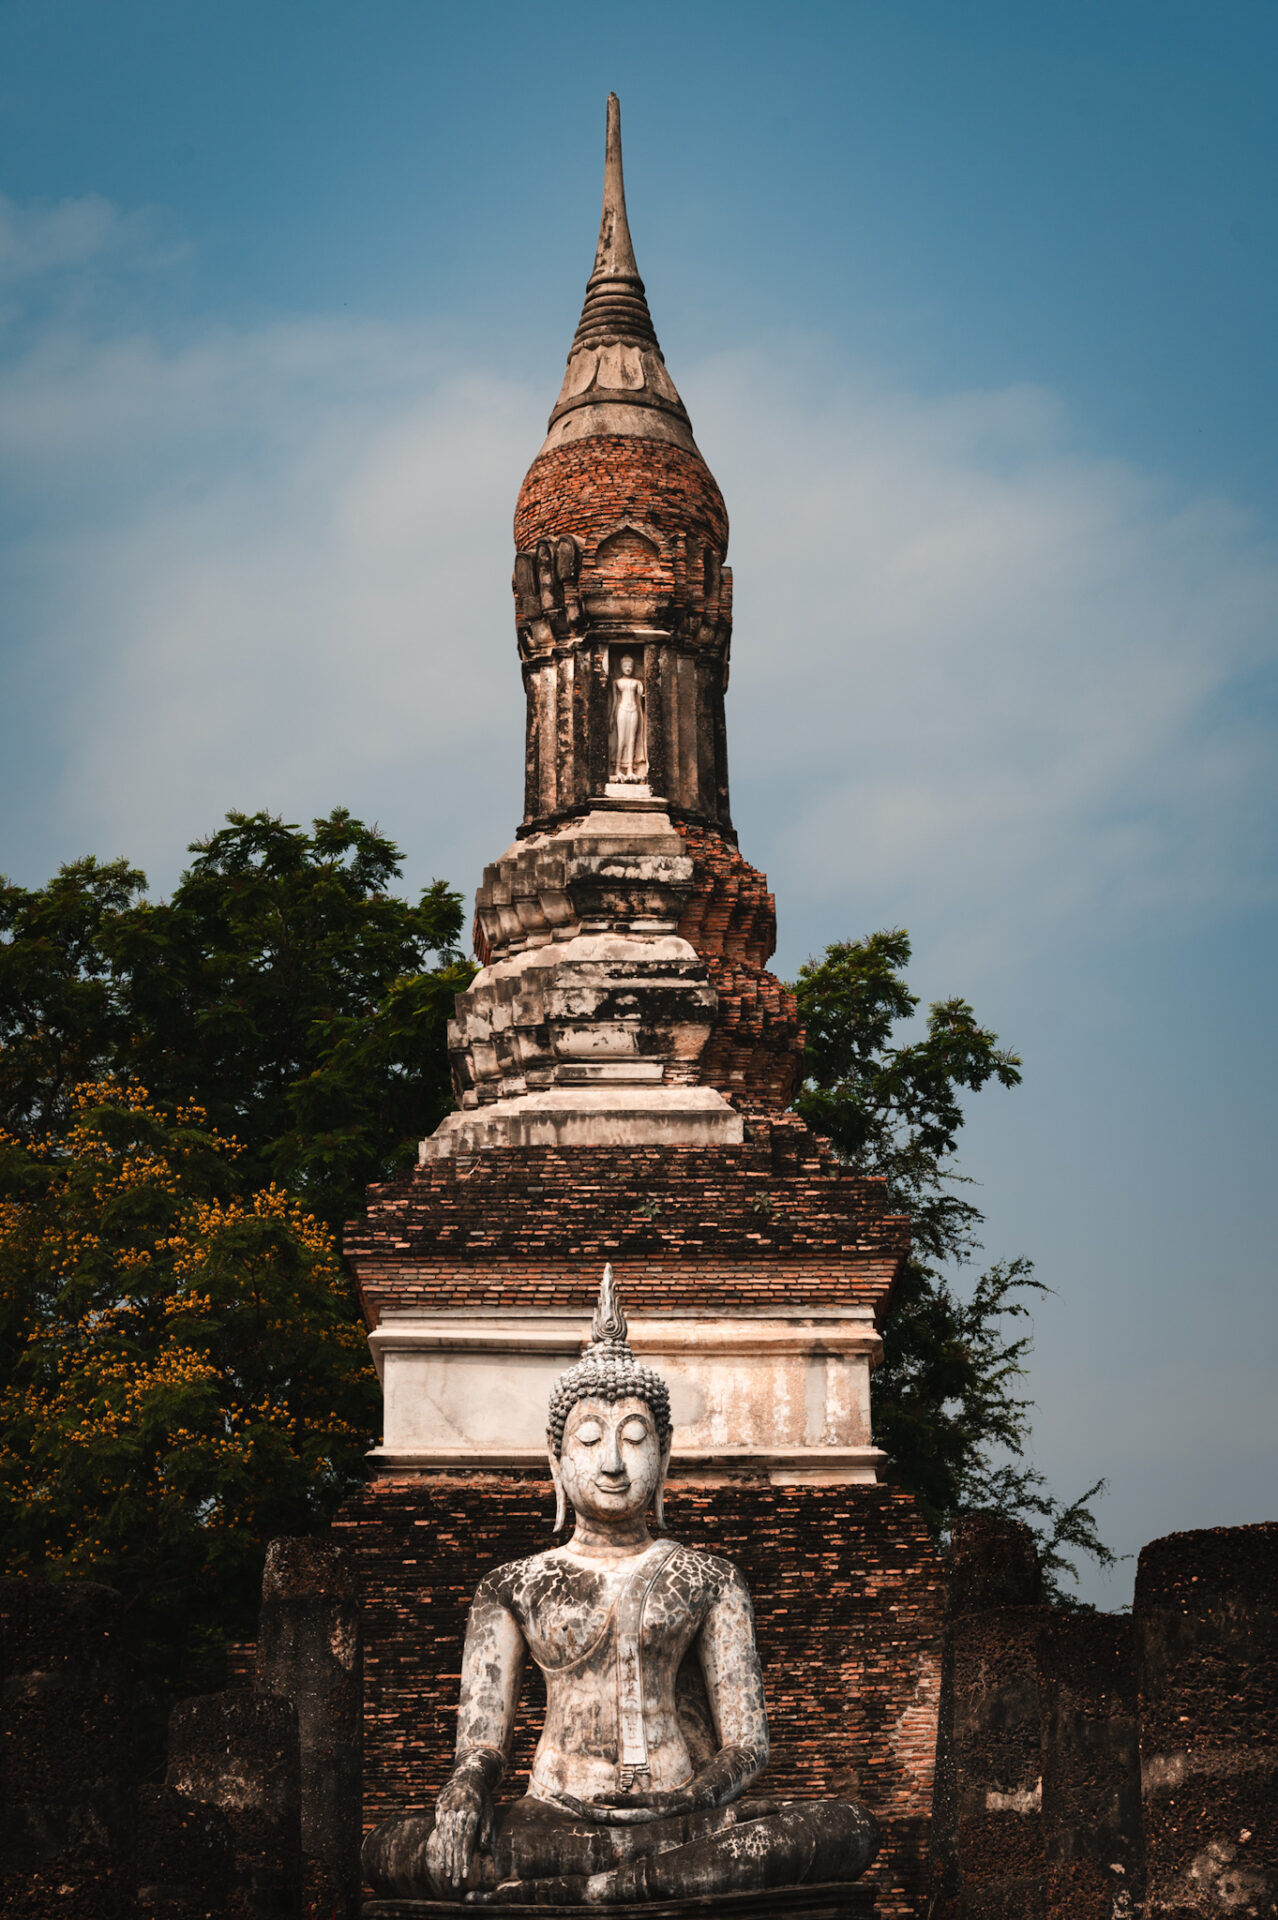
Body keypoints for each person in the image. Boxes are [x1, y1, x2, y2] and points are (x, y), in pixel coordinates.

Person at [362, 1269, 880, 1906]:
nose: (612, 1462)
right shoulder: (512, 1585)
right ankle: (622, 1880)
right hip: (554, 1818)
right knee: (393, 1846)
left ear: (664, 1456)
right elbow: (481, 1743)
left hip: (682, 1816)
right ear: (556, 1460)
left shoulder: (710, 1577)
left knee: (845, 1826)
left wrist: (687, 1799)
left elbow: (747, 1746)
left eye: (634, 1438)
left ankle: (591, 1889)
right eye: (589, 1439)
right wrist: (466, 1788)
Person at [608, 656, 647, 783]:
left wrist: (642, 693)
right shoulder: (617, 682)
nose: (628, 668)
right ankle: (617, 769)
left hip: (634, 710)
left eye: (630, 666)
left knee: (632, 740)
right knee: (621, 740)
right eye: (625, 666)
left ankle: (630, 769)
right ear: (621, 667)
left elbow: (641, 699)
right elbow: (614, 701)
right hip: (622, 709)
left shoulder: (637, 682)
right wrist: (611, 717)